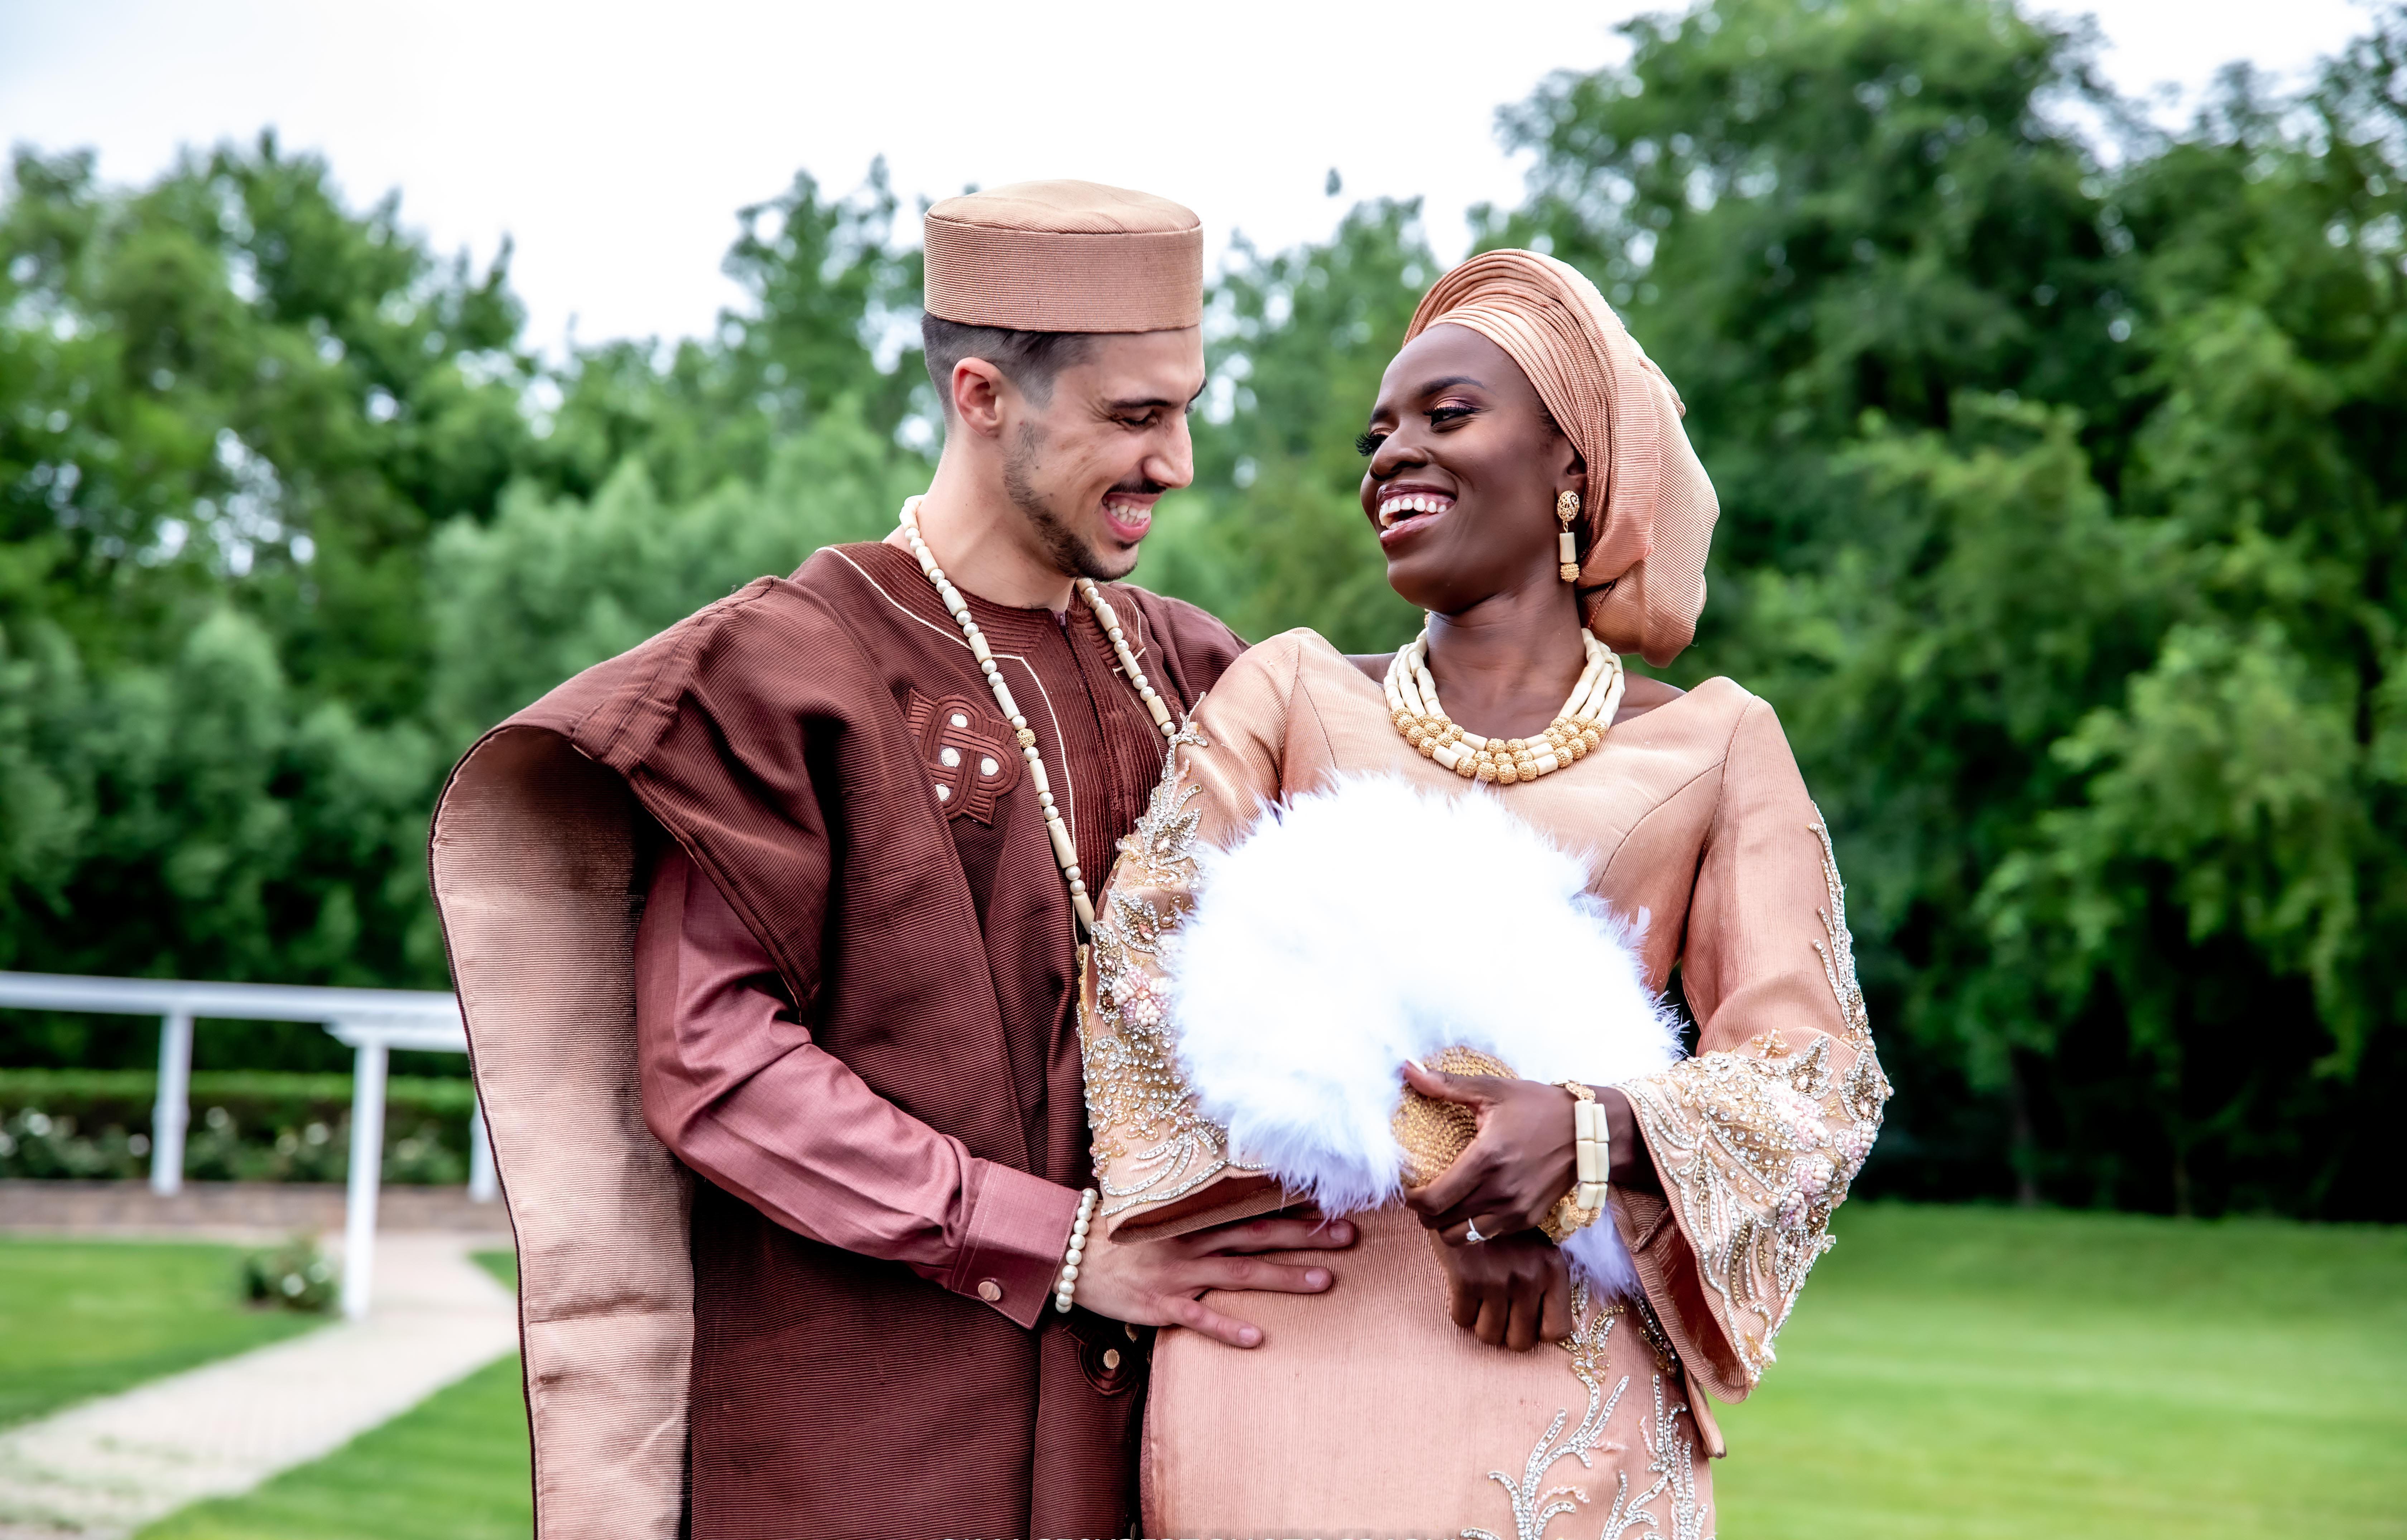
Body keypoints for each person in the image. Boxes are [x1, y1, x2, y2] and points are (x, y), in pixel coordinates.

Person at [428, 180, 1352, 1540]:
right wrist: (1053, 1242)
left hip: (1164, 1460)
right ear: (984, 396)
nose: (1179, 462)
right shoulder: (791, 668)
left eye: (1187, 411)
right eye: (1135, 417)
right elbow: (717, 1066)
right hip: (867, 1464)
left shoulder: (1202, 674)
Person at [1080, 249, 1891, 1536]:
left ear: (1574, 461)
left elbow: (1816, 1080)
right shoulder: (1290, 691)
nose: (1392, 456)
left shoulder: (1718, 743)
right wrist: (1441, 1155)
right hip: (1293, 1344)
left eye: (1447, 415)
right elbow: (1143, 971)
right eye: (1378, 436)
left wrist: (1583, 1136)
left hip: (1558, 1373)